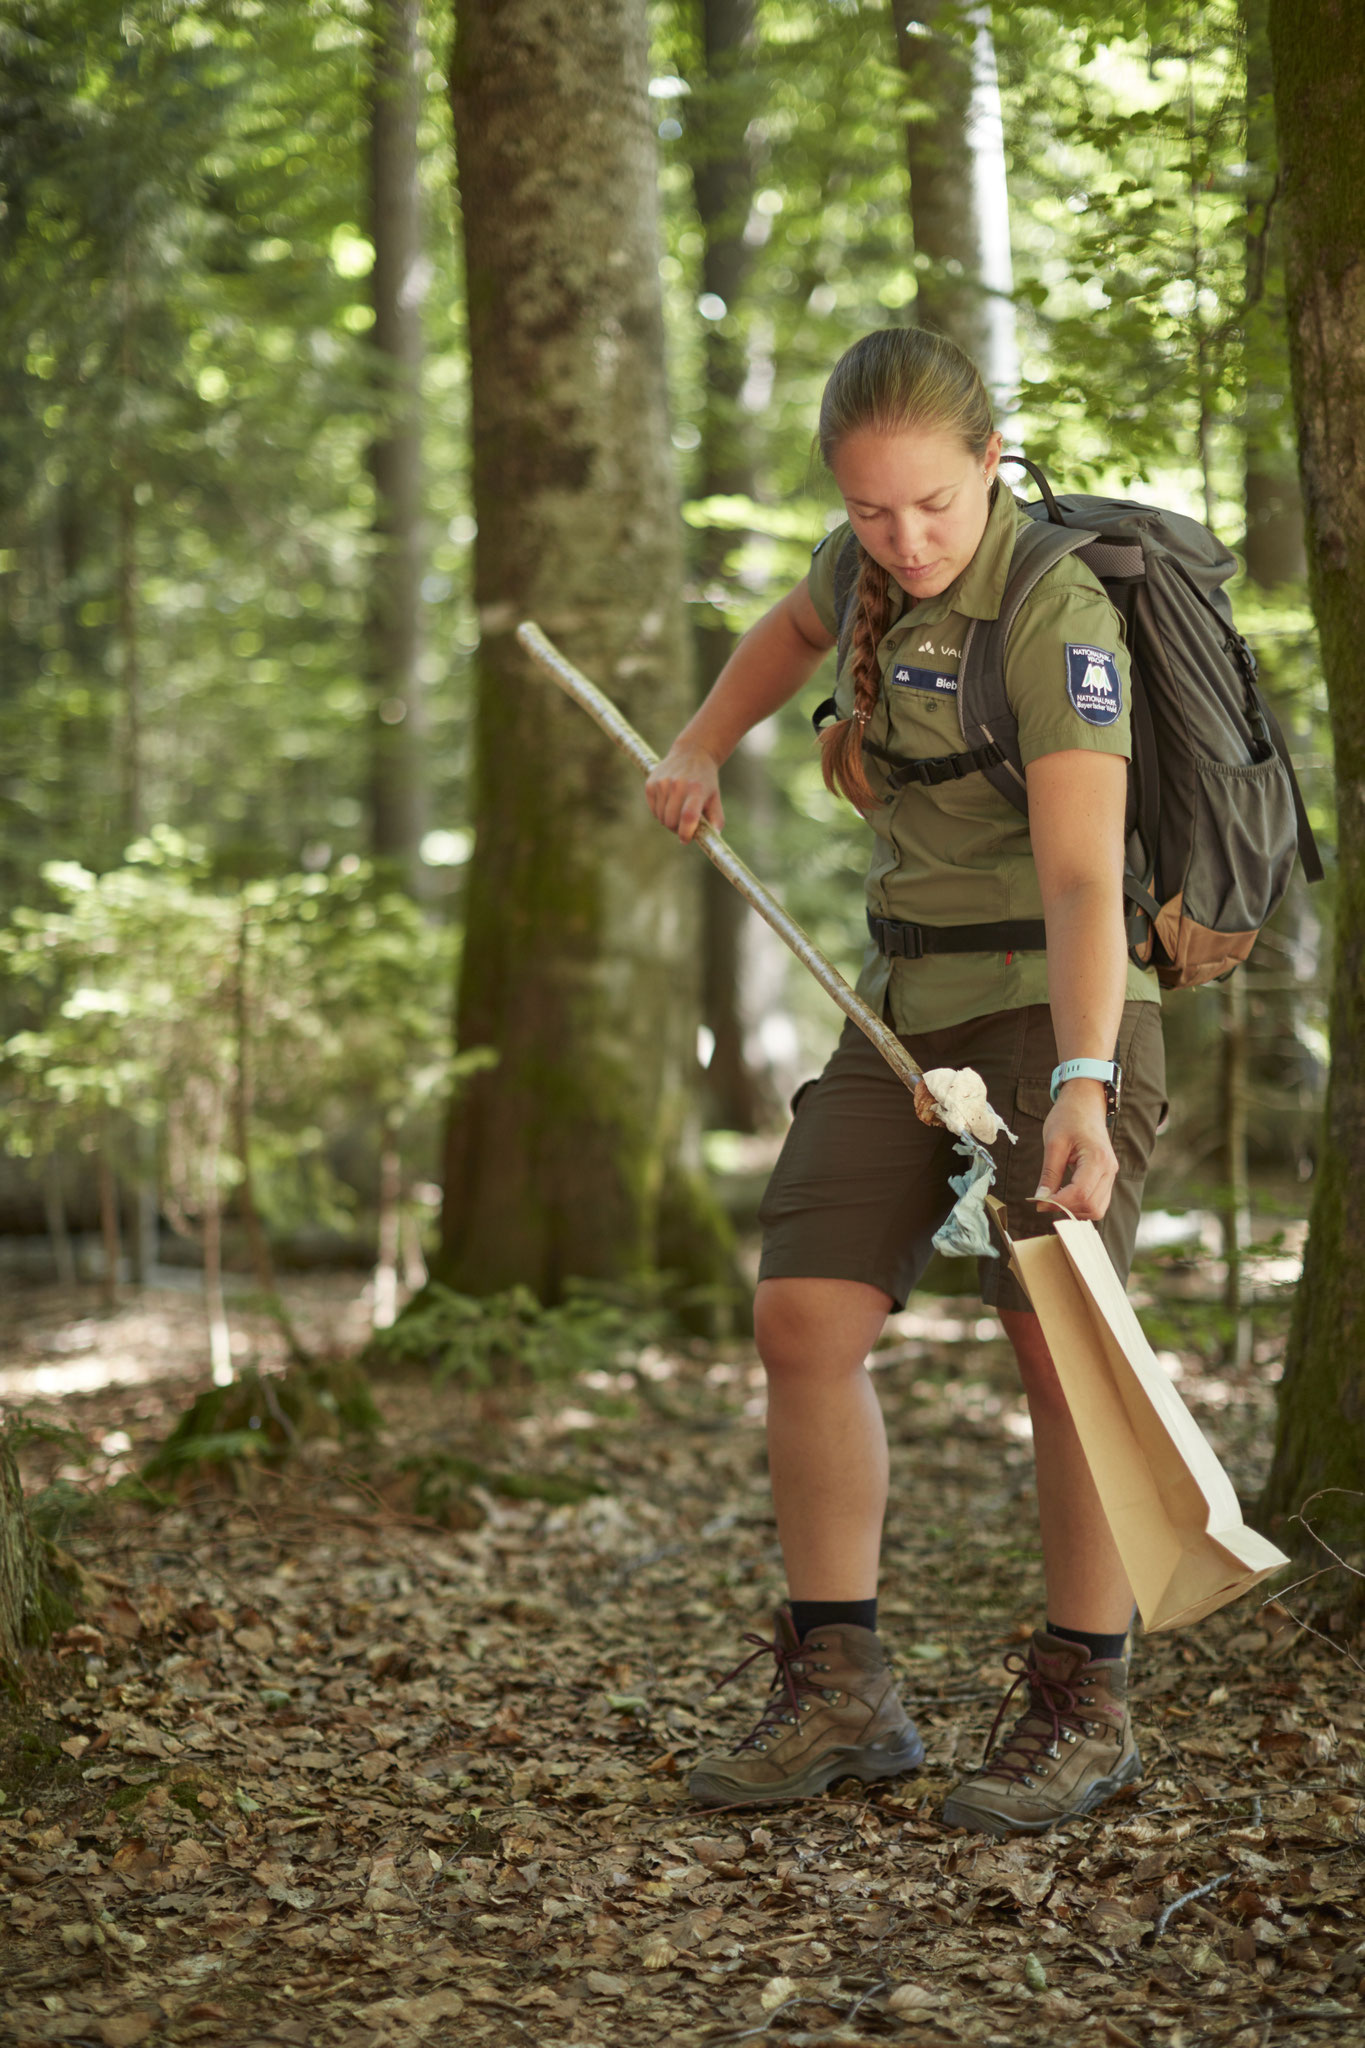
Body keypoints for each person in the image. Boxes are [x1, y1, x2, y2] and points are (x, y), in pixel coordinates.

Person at [644, 328, 1166, 1836]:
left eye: (931, 504)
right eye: (871, 511)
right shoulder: (861, 562)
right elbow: (784, 636)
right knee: (800, 1310)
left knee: (1056, 1347)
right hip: (903, 1006)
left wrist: (1081, 1082)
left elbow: (1079, 882)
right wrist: (700, 743)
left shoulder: (1052, 609)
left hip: (1057, 1010)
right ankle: (843, 1692)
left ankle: (1087, 1699)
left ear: (992, 464)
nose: (904, 538)